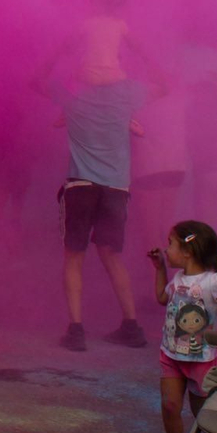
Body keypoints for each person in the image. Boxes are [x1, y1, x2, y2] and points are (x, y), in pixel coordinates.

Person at [32, 41, 167, 352]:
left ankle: (76, 330)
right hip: (116, 188)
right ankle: (131, 326)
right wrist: (142, 51)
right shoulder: (128, 94)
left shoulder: (73, 96)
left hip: (80, 186)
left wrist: (58, 52)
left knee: (74, 257)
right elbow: (163, 85)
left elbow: (36, 81)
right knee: (112, 256)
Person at [147, 221, 217, 433]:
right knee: (170, 405)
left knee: (202, 410)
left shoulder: (213, 281)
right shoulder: (178, 278)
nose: (166, 248)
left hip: (202, 359)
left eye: (170, 243)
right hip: (171, 355)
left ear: (188, 251)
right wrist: (160, 268)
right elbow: (162, 299)